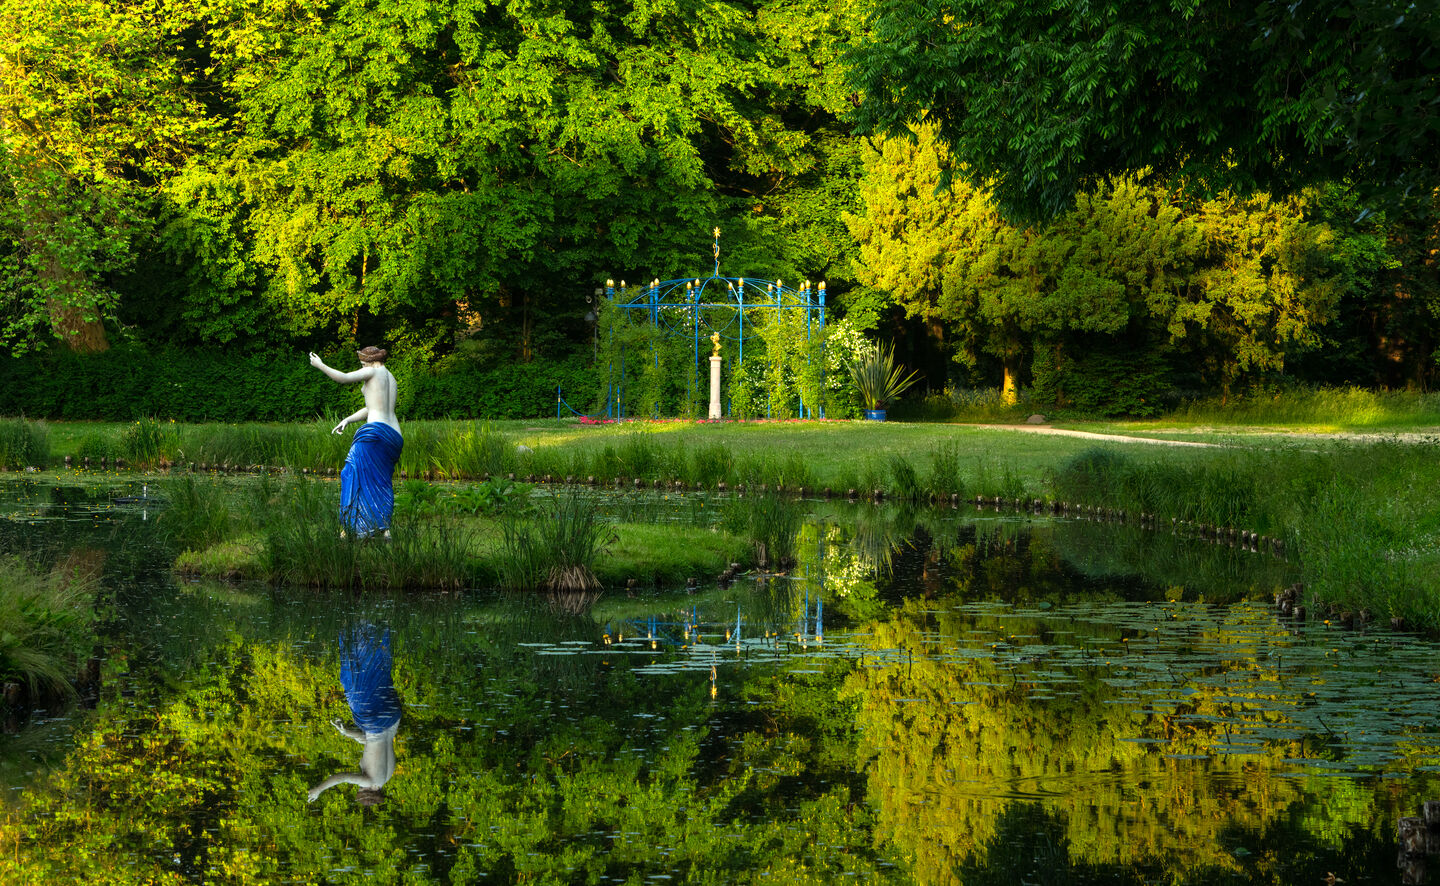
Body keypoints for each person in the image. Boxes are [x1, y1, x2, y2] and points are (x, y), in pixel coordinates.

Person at [308, 346, 403, 537]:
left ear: (369, 361)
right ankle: (383, 529)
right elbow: (374, 407)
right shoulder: (391, 378)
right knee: (381, 481)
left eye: (362, 362)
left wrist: (320, 365)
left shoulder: (372, 371)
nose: (362, 366)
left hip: (375, 433)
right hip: (394, 436)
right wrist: (348, 419)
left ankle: (351, 528)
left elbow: (343, 378)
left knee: (351, 472)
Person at [308, 623, 402, 806]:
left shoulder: (388, 774)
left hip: (392, 718)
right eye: (362, 788)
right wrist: (319, 789)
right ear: (374, 790)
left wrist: (347, 732)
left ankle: (375, 628)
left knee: (378, 676)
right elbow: (341, 777)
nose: (361, 785)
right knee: (354, 683)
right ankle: (361, 628)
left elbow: (372, 743)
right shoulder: (373, 782)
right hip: (375, 722)